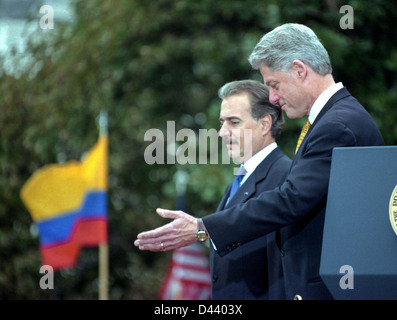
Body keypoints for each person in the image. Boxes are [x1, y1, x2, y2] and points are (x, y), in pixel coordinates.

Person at [134, 23, 384, 300]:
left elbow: (291, 200)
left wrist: (202, 229)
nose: (274, 98)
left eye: (274, 85)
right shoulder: (335, 119)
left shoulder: (337, 124)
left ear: (300, 70)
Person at [210, 80, 291, 299]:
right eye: (222, 122)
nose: (222, 133)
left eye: (233, 122)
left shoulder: (287, 178)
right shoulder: (237, 182)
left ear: (265, 124)